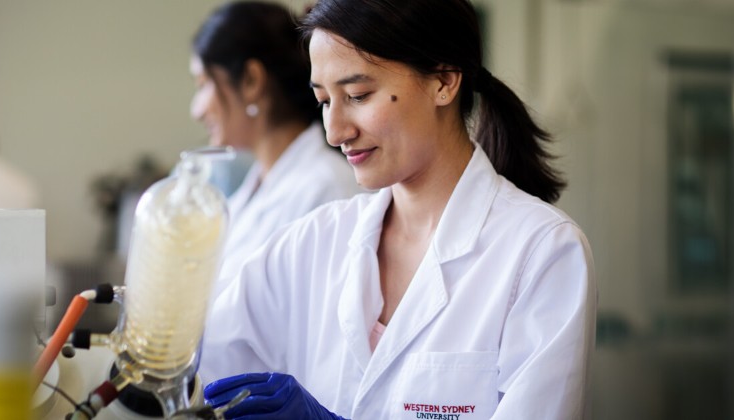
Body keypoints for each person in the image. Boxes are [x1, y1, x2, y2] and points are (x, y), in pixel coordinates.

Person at [198, 0, 596, 418]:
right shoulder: (312, 242)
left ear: (443, 80)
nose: (335, 132)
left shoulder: (543, 252)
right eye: (325, 101)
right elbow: (192, 369)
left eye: (357, 95)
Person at [189, 1, 363, 296]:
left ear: (251, 80)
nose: (197, 109)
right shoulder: (258, 184)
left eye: (204, 83)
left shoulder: (327, 187)